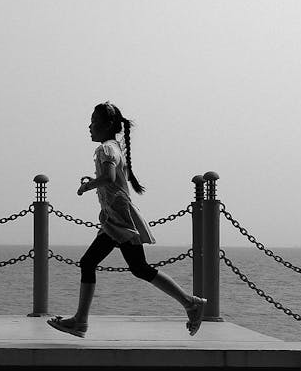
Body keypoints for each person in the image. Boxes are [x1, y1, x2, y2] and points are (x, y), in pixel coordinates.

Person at [47, 102, 207, 338]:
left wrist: (87, 186)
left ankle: (190, 303)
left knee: (118, 266)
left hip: (118, 220)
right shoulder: (113, 148)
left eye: (93, 121)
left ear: (107, 125)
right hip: (115, 218)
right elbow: (112, 177)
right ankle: (80, 321)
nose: (89, 126)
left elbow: (110, 178)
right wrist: (95, 180)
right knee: (114, 265)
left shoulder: (106, 150)